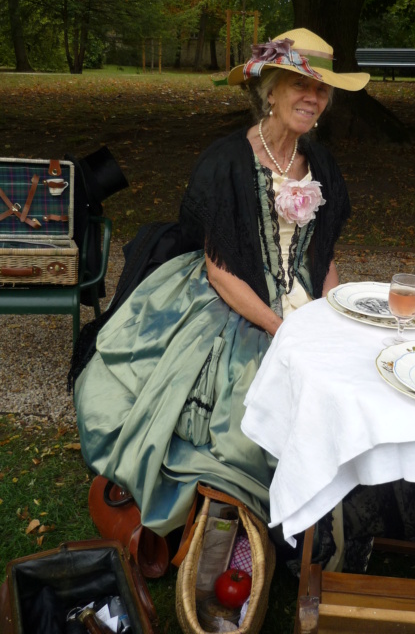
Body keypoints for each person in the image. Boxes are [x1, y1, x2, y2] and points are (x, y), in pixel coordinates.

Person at [73, 28, 370, 540]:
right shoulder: (226, 161)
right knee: (250, 404)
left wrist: (330, 315)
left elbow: (323, 256)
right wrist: (284, 330)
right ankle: (232, 515)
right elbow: (220, 270)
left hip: (296, 295)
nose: (313, 97)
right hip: (229, 297)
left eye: (322, 89)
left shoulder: (319, 163)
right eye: (300, 84)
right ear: (270, 90)